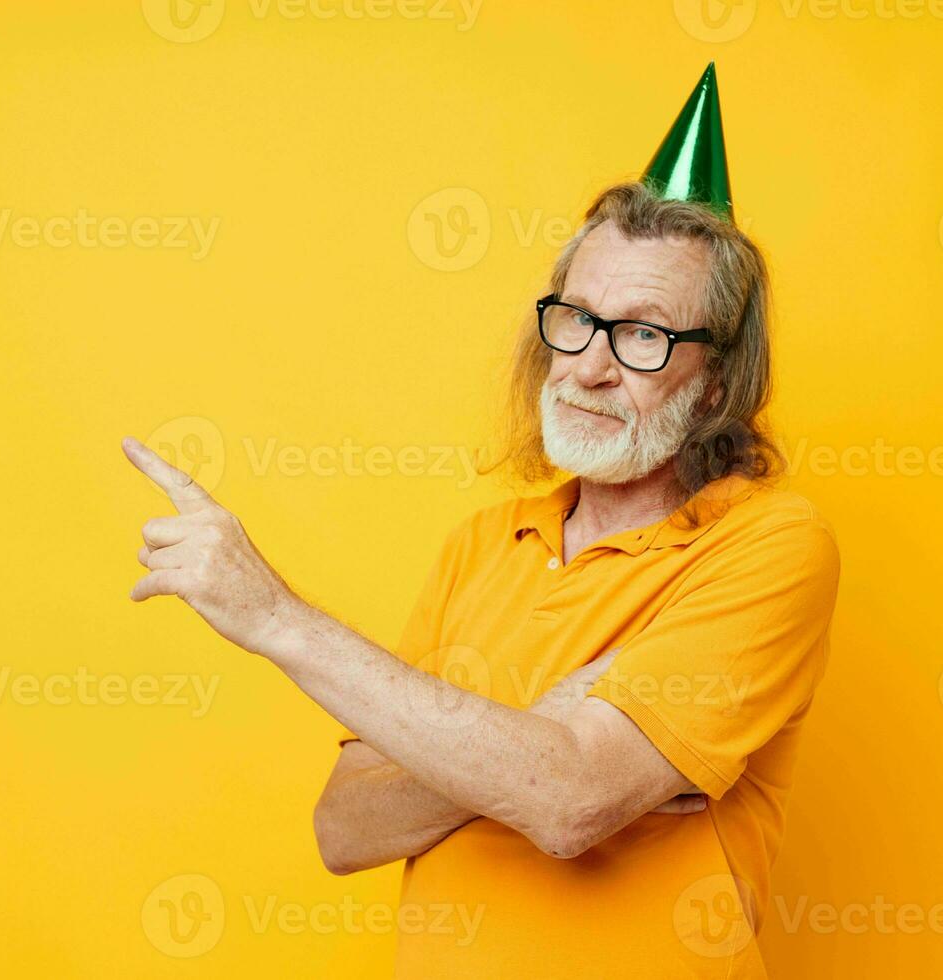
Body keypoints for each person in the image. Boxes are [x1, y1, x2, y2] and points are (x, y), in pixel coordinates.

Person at [122, 63, 840, 978]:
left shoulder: (770, 546)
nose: (587, 366)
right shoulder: (481, 545)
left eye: (644, 334)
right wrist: (537, 733)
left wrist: (276, 619)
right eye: (575, 319)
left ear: (715, 381)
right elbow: (344, 828)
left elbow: (572, 803)